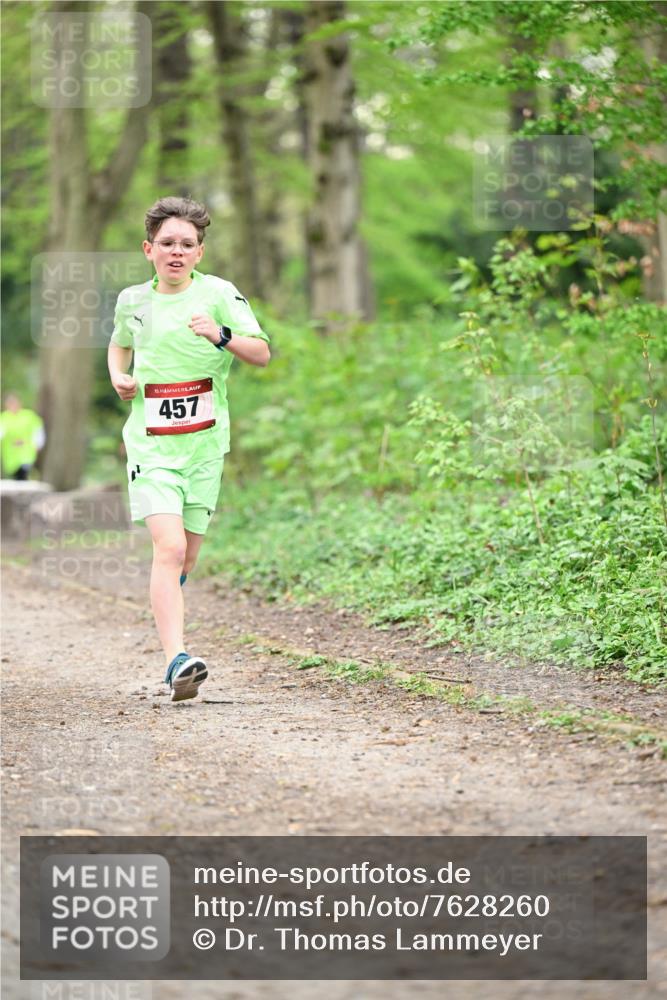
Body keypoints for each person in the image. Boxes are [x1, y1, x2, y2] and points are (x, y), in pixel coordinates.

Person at [108, 196, 270, 703]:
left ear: (200, 252)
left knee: (187, 558)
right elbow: (119, 343)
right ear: (148, 249)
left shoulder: (220, 294)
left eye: (187, 244)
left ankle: (167, 612)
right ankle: (177, 658)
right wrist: (118, 375)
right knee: (169, 547)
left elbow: (261, 353)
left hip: (203, 448)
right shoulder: (132, 300)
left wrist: (219, 335)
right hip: (150, 446)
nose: (176, 252)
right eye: (167, 244)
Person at [0, 393, 45, 480]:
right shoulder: (4, 418)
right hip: (11, 455)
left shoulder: (29, 415)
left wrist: (38, 443)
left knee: (24, 472)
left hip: (26, 452)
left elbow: (38, 430)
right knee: (16, 476)